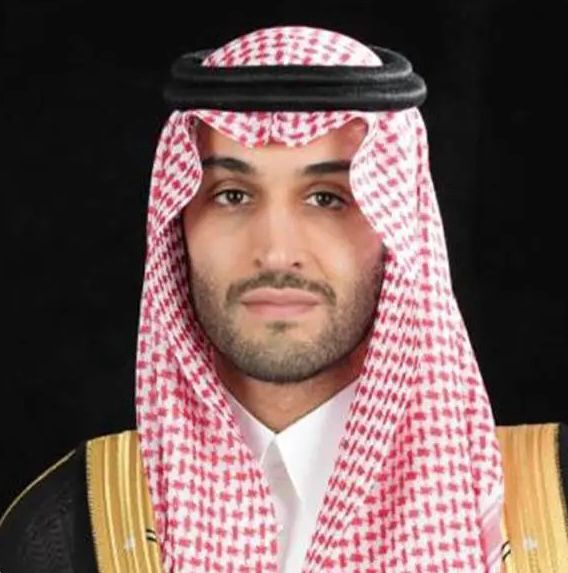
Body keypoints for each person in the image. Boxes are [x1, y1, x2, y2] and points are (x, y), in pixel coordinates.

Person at [1, 24, 566, 573]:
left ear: (398, 222)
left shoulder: (553, 510)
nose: (275, 252)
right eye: (232, 195)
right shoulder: (69, 529)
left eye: (327, 198)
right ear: (179, 225)